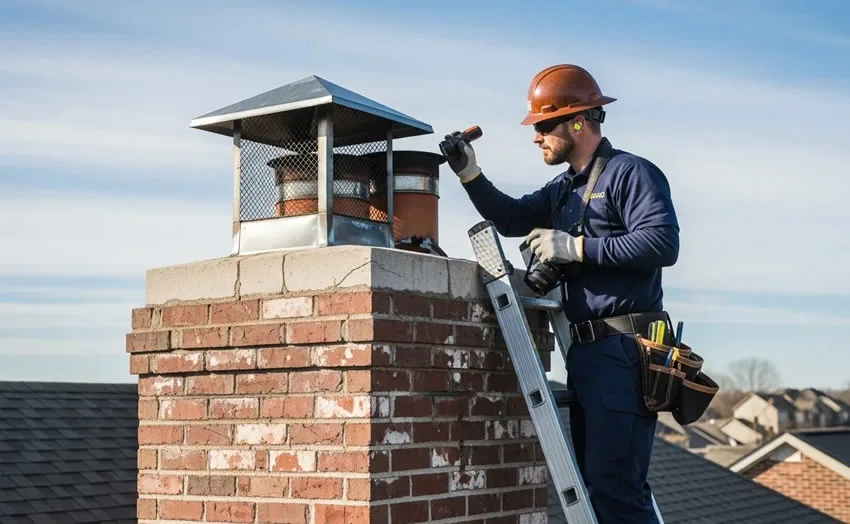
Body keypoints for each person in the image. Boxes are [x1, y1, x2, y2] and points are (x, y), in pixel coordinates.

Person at [444, 64, 679, 523]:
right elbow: (510, 219)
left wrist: (575, 247)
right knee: (598, 486)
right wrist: (470, 172)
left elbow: (661, 244)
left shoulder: (631, 174)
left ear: (578, 121)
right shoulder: (563, 188)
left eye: (544, 126)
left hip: (626, 349)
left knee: (618, 486)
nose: (536, 137)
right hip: (588, 353)